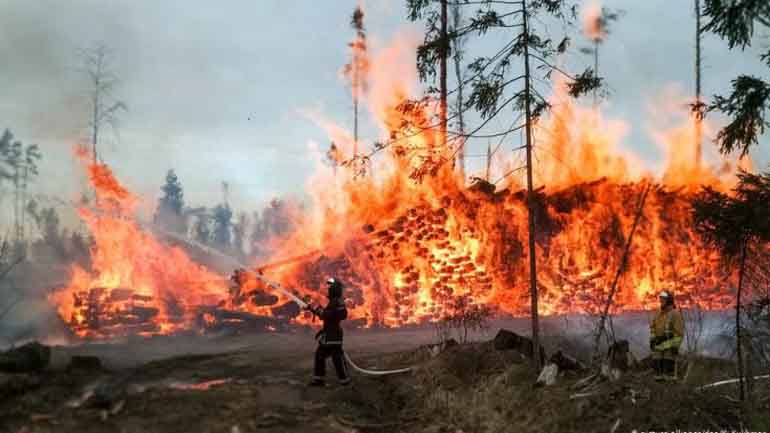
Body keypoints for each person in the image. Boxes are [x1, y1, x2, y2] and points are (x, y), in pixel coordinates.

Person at [307, 278, 350, 387]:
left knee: (329, 356)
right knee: (329, 356)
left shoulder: (336, 301)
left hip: (333, 335)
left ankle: (322, 380)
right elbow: (329, 315)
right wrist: (314, 310)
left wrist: (316, 309)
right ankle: (342, 381)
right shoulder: (336, 301)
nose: (328, 289)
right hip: (331, 334)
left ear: (334, 289)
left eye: (330, 287)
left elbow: (329, 315)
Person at [649, 290, 684, 380]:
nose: (661, 301)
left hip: (669, 349)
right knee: (657, 378)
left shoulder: (675, 314)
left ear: (669, 301)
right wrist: (652, 339)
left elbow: (679, 334)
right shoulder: (658, 314)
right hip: (658, 349)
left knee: (668, 377)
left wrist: (675, 346)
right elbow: (653, 328)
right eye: (660, 299)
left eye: (663, 300)